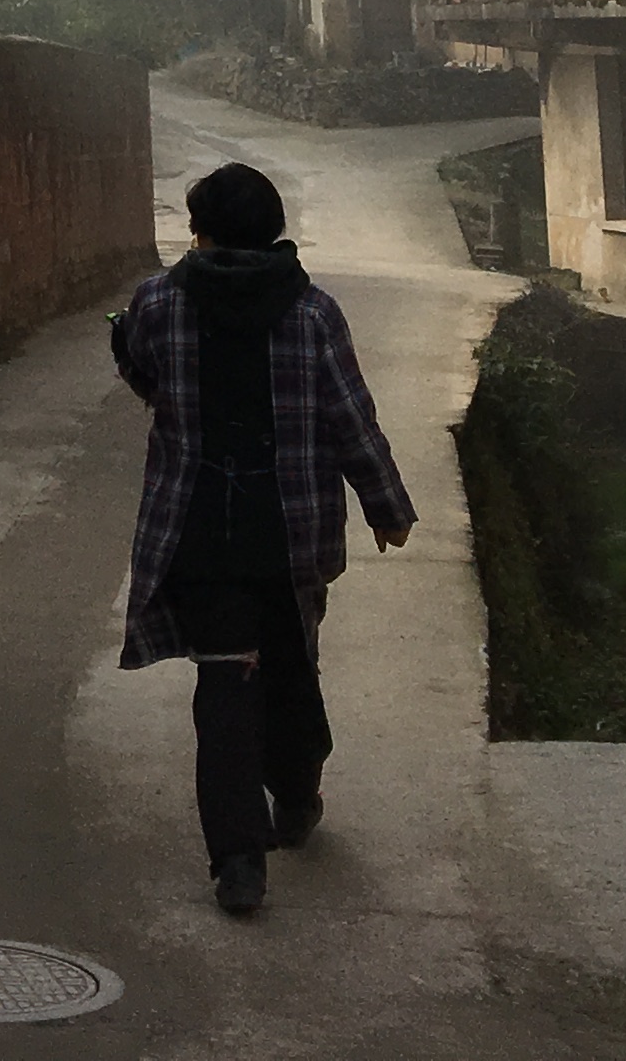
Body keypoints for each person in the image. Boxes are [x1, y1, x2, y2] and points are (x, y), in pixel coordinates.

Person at [110, 159, 414, 919]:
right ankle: (299, 793)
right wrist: (386, 505)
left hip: (199, 530)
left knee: (225, 686)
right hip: (293, 533)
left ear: (203, 231)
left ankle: (239, 863)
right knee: (289, 668)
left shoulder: (159, 302)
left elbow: (141, 370)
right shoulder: (312, 312)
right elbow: (350, 418)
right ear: (274, 230)